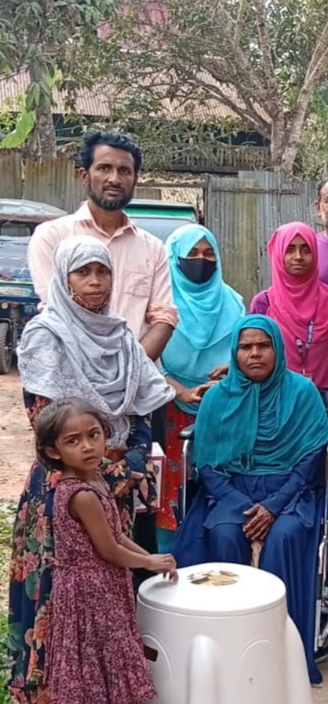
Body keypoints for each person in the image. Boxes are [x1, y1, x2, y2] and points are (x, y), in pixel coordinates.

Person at [8, 236, 174, 704]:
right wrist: (105, 468)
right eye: (83, 272)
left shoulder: (120, 336)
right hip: (64, 485)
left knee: (112, 593)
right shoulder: (46, 334)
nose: (96, 282)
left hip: (121, 480)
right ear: (64, 280)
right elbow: (46, 422)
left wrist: (134, 459)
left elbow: (142, 408)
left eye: (103, 271)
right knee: (59, 599)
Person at [172, 315, 328, 685]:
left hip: (289, 492)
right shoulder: (218, 397)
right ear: (235, 352)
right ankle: (228, 648)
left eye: (263, 345)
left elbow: (310, 460)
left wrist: (273, 506)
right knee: (225, 534)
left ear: (277, 348)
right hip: (230, 491)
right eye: (246, 347)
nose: (255, 353)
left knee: (284, 537)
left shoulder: (302, 392)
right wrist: (243, 505)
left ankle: (280, 652)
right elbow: (208, 464)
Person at [37, 399, 178, 704]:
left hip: (105, 585)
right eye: (73, 441)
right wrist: (149, 562)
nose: (88, 446)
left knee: (107, 654)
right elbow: (109, 550)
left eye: (94, 434)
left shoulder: (95, 478)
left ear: (106, 433)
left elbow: (116, 534)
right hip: (89, 592)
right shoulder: (81, 494)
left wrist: (149, 557)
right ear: (53, 452)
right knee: (98, 657)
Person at [27, 130, 177, 359]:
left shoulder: (153, 248)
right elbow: (56, 311)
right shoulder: (53, 237)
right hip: (74, 371)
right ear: (84, 175)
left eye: (124, 171)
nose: (114, 179)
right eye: (104, 168)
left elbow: (164, 318)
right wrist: (98, 373)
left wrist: (130, 371)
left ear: (135, 180)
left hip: (139, 375)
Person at [158, 224, 246, 552]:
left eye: (209, 254)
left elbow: (246, 353)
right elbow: (146, 359)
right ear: (174, 258)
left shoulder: (234, 303)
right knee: (167, 495)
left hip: (222, 410)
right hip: (167, 410)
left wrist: (230, 377)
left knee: (218, 492)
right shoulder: (160, 304)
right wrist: (179, 390)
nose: (201, 260)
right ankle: (167, 564)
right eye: (192, 254)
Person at [250, 222, 328, 394]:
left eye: (306, 250)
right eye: (290, 249)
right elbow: (253, 353)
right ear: (278, 254)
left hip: (324, 400)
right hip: (276, 397)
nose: (298, 256)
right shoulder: (264, 303)